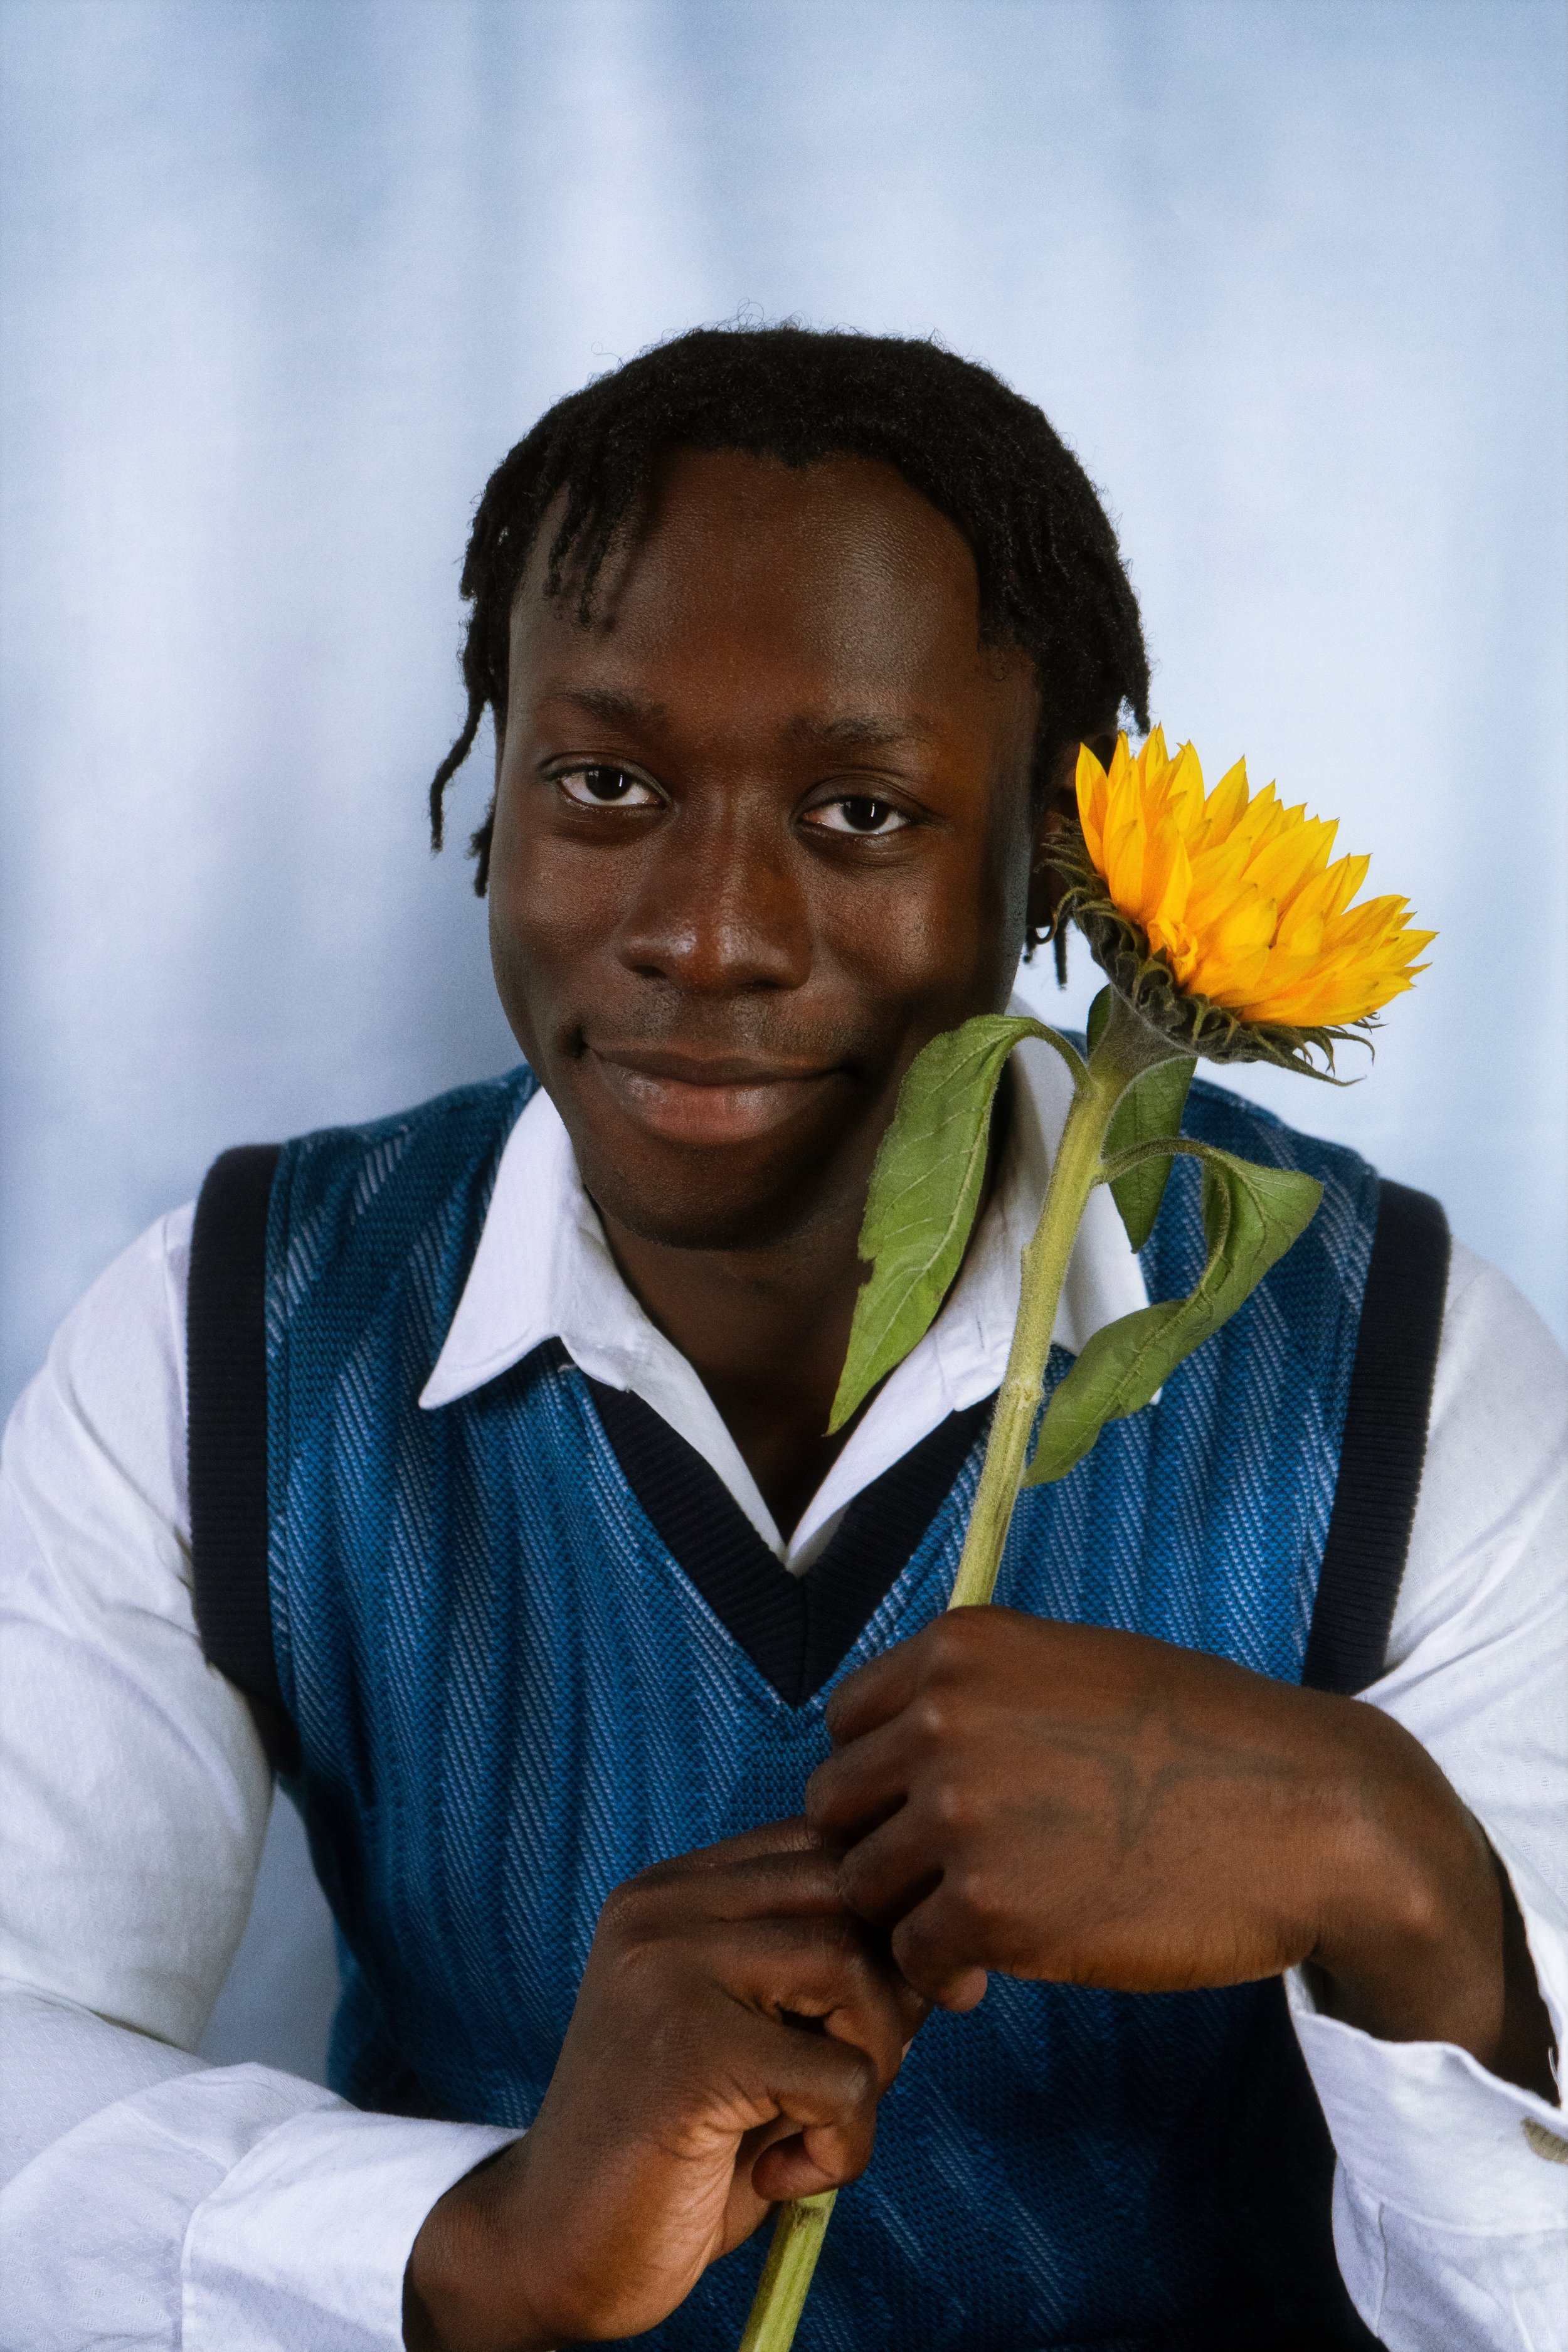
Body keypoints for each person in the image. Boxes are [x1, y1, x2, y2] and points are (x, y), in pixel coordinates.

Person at [1, 326, 1562, 2352]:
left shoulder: (1395, 1365)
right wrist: (476, 2238)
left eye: (858, 811)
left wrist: (1406, 1894)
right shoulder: (235, 1322)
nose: (707, 930)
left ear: (1060, 859)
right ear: (493, 786)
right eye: (604, 782)